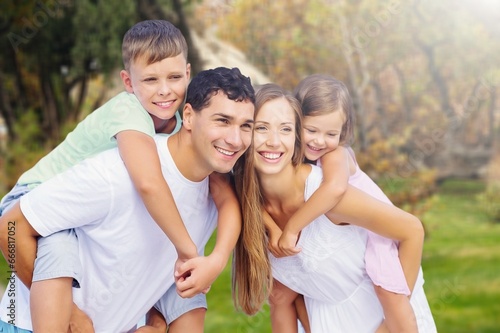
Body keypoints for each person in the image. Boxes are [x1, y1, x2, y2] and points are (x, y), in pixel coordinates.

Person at [0, 20, 235, 332]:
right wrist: (188, 252)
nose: (165, 90)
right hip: (32, 198)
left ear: (188, 74)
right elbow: (149, 184)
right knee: (58, 253)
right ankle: (70, 317)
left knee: (165, 268)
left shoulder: (179, 125)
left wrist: (215, 261)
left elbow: (224, 196)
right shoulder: (128, 112)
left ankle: (153, 321)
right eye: (150, 79)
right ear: (128, 82)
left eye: (175, 77)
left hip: (87, 216)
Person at [232, 83, 437, 332]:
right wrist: (274, 229)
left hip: (380, 304)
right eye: (261, 128)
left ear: (295, 136)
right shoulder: (247, 203)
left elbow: (411, 229)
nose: (273, 141)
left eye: (285, 129)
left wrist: (291, 229)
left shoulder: (328, 185)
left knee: (389, 291)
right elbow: (281, 299)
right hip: (330, 320)